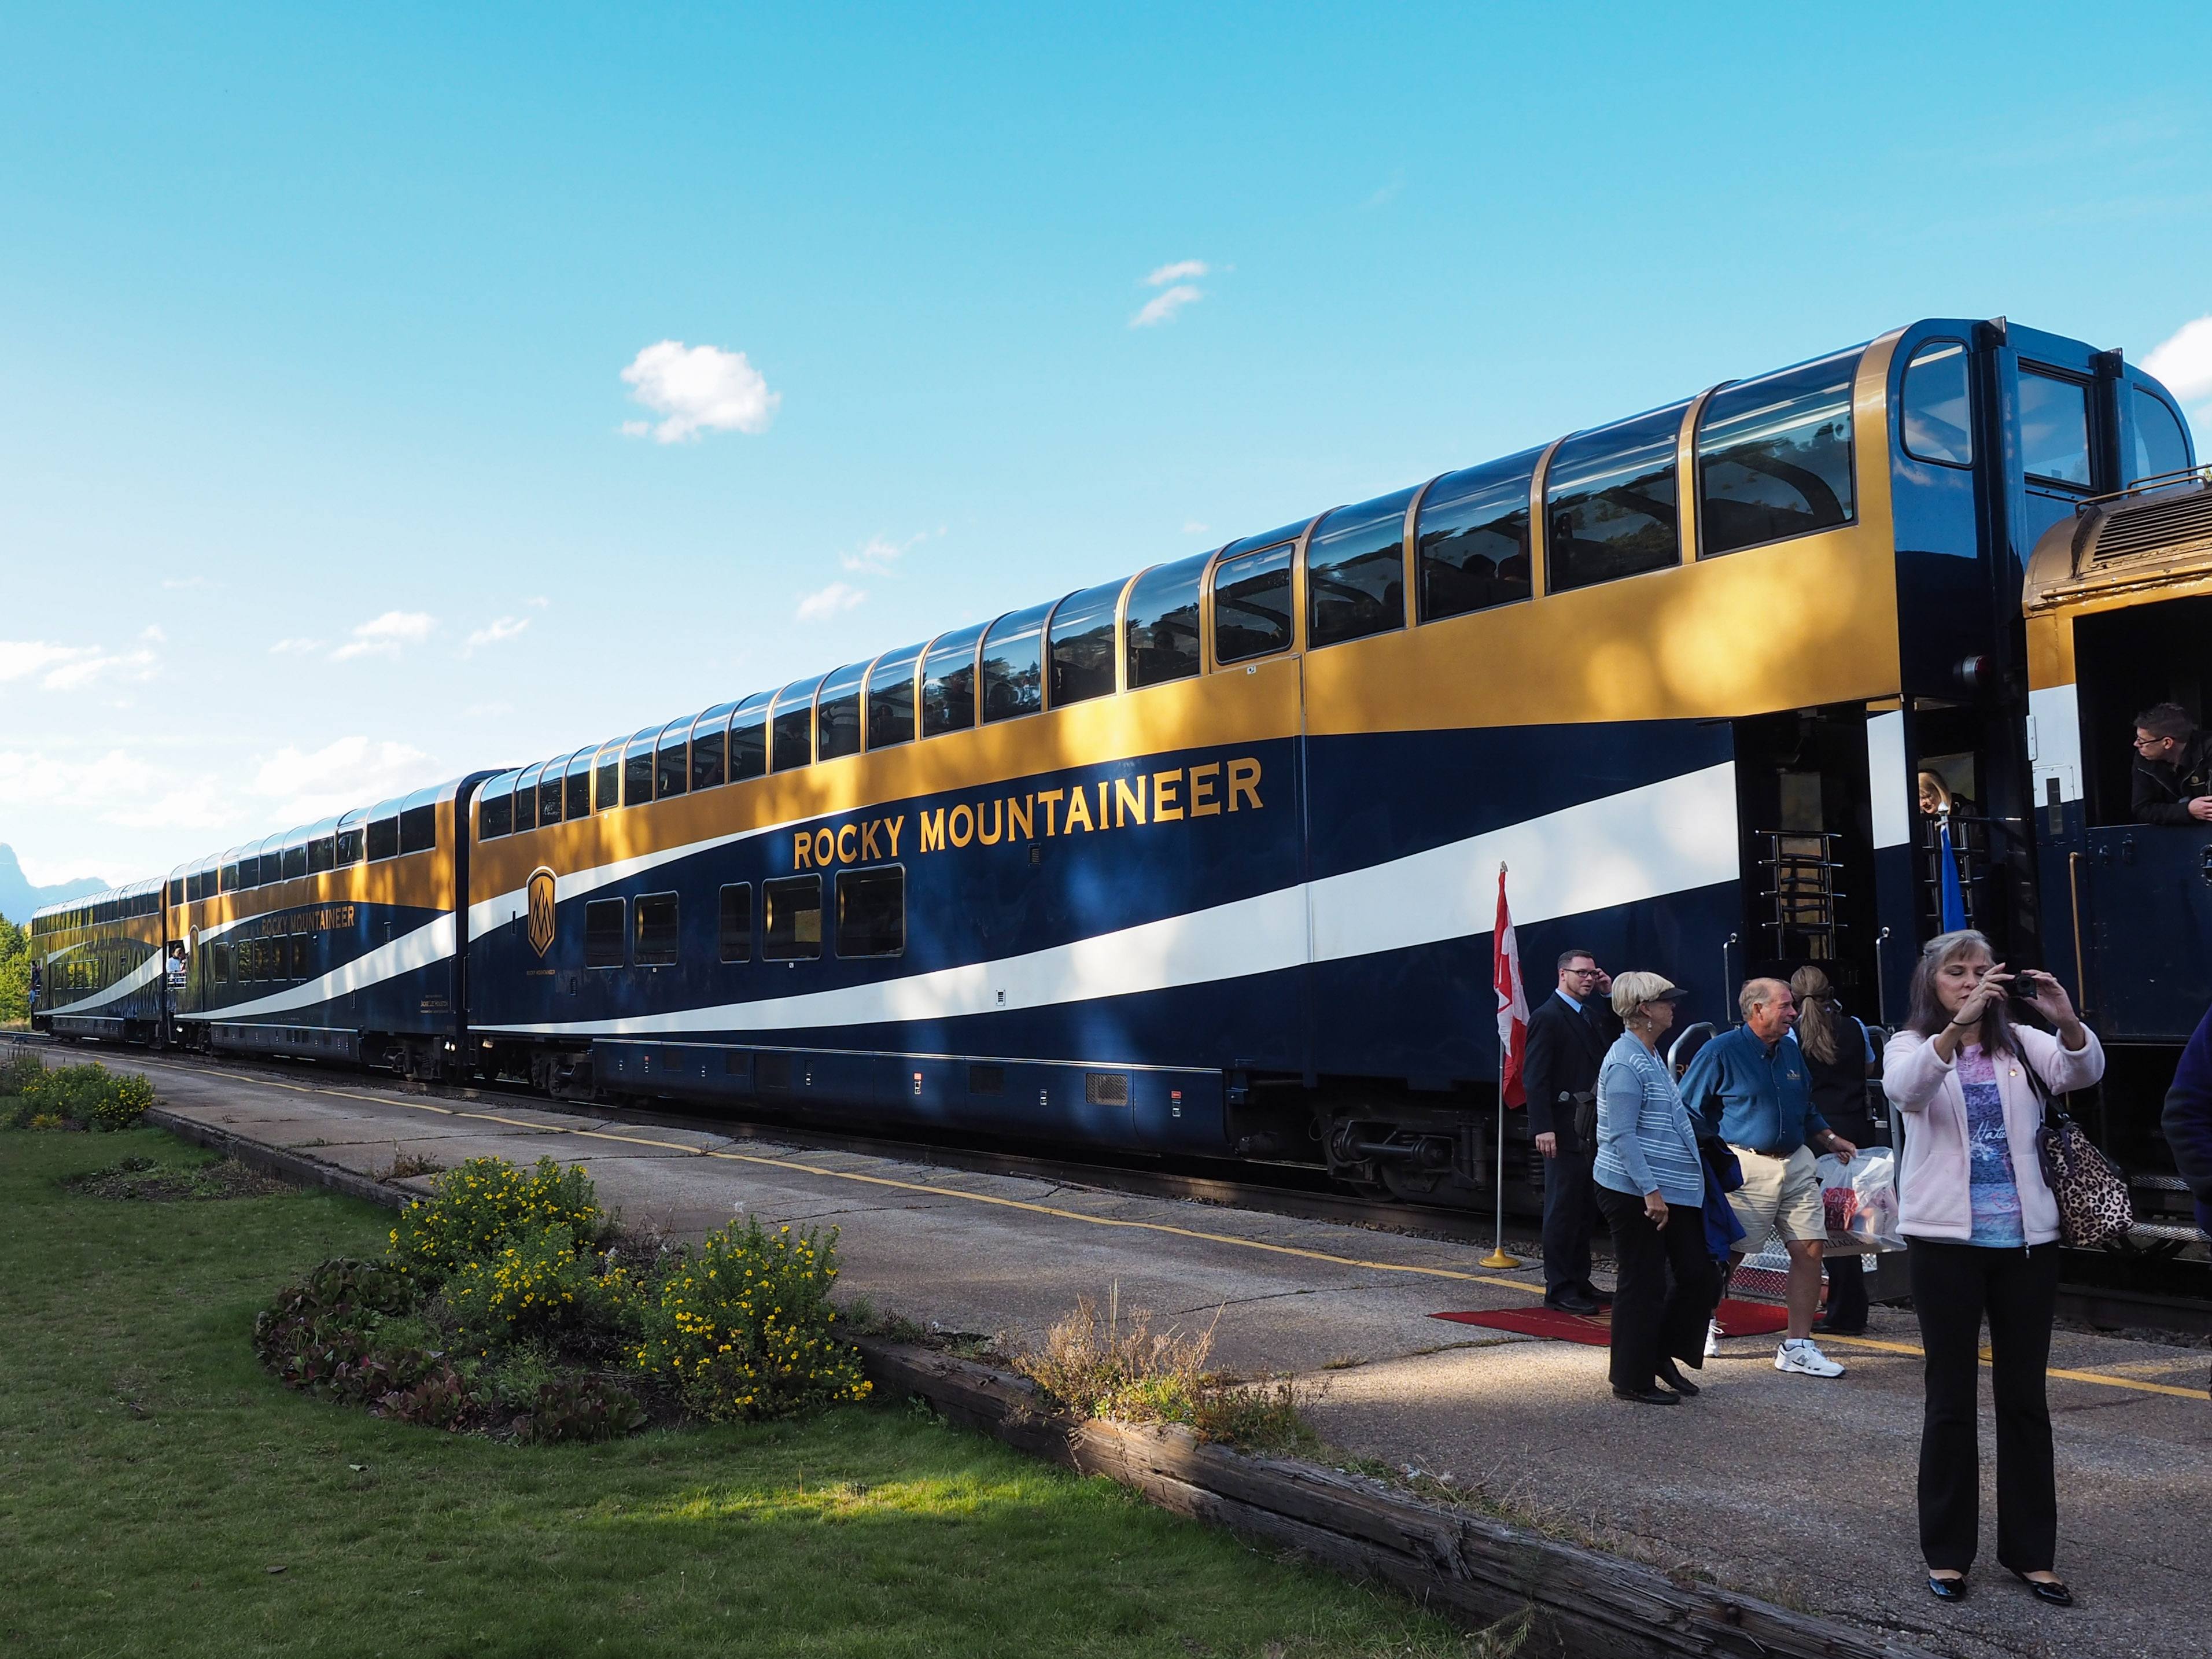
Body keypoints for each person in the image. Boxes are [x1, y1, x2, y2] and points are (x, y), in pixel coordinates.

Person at [1884, 930, 2103, 1606]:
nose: (1973, 981)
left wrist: (2064, 1019)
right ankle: (1947, 1554)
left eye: (1982, 971)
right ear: (1933, 983)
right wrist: (1956, 1027)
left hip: (2025, 1247)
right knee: (1949, 1399)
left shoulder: (2018, 1046)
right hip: (1945, 1247)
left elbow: (2081, 1071)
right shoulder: (1908, 1044)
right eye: (1957, 973)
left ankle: (2030, 1555)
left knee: (2024, 1400)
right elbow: (1907, 1089)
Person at [1680, 978, 1857, 1377]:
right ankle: (1701, 1321)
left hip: (1796, 1161)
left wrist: (1828, 1137)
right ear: (1757, 1010)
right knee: (1731, 1252)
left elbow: (1806, 1104)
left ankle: (1798, 1346)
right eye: (1785, 1006)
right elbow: (1688, 1111)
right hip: (1745, 1165)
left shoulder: (1790, 1049)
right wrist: (1711, 1157)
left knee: (1810, 1249)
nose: (1794, 1013)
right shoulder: (1719, 1052)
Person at [1590, 971, 1715, 1405]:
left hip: (1672, 1190)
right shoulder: (1626, 1061)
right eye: (1667, 1000)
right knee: (1641, 1283)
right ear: (1644, 1009)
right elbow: (1621, 1136)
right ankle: (1630, 1378)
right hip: (1635, 1191)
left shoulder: (1648, 1052)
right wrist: (1651, 1192)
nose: (1674, 1006)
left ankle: (1659, 1354)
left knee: (1698, 1275)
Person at [1524, 948, 1617, 1314]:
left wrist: (1609, 996)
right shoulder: (1547, 1017)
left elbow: (1612, 1040)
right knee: (1562, 1209)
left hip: (1587, 1128)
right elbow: (1535, 1078)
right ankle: (1559, 1288)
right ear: (1563, 974)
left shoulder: (1590, 1015)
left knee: (1581, 1209)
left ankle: (1579, 1281)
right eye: (1582, 973)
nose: (1589, 979)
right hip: (1562, 1129)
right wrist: (1543, 1127)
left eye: (1593, 974)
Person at [1790, 965, 1876, 1336]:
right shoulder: (1856, 1026)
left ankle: (1845, 1312)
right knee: (1853, 1225)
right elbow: (1869, 1064)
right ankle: (1850, 1306)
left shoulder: (1792, 1036)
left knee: (1826, 1229)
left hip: (1820, 1136)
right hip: (1857, 1130)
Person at [2130, 703, 2212, 826]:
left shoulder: (2208, 749)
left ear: (2167, 743)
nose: (2136, 744)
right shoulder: (2143, 759)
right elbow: (2142, 809)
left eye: (2142, 741)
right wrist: (2187, 811)